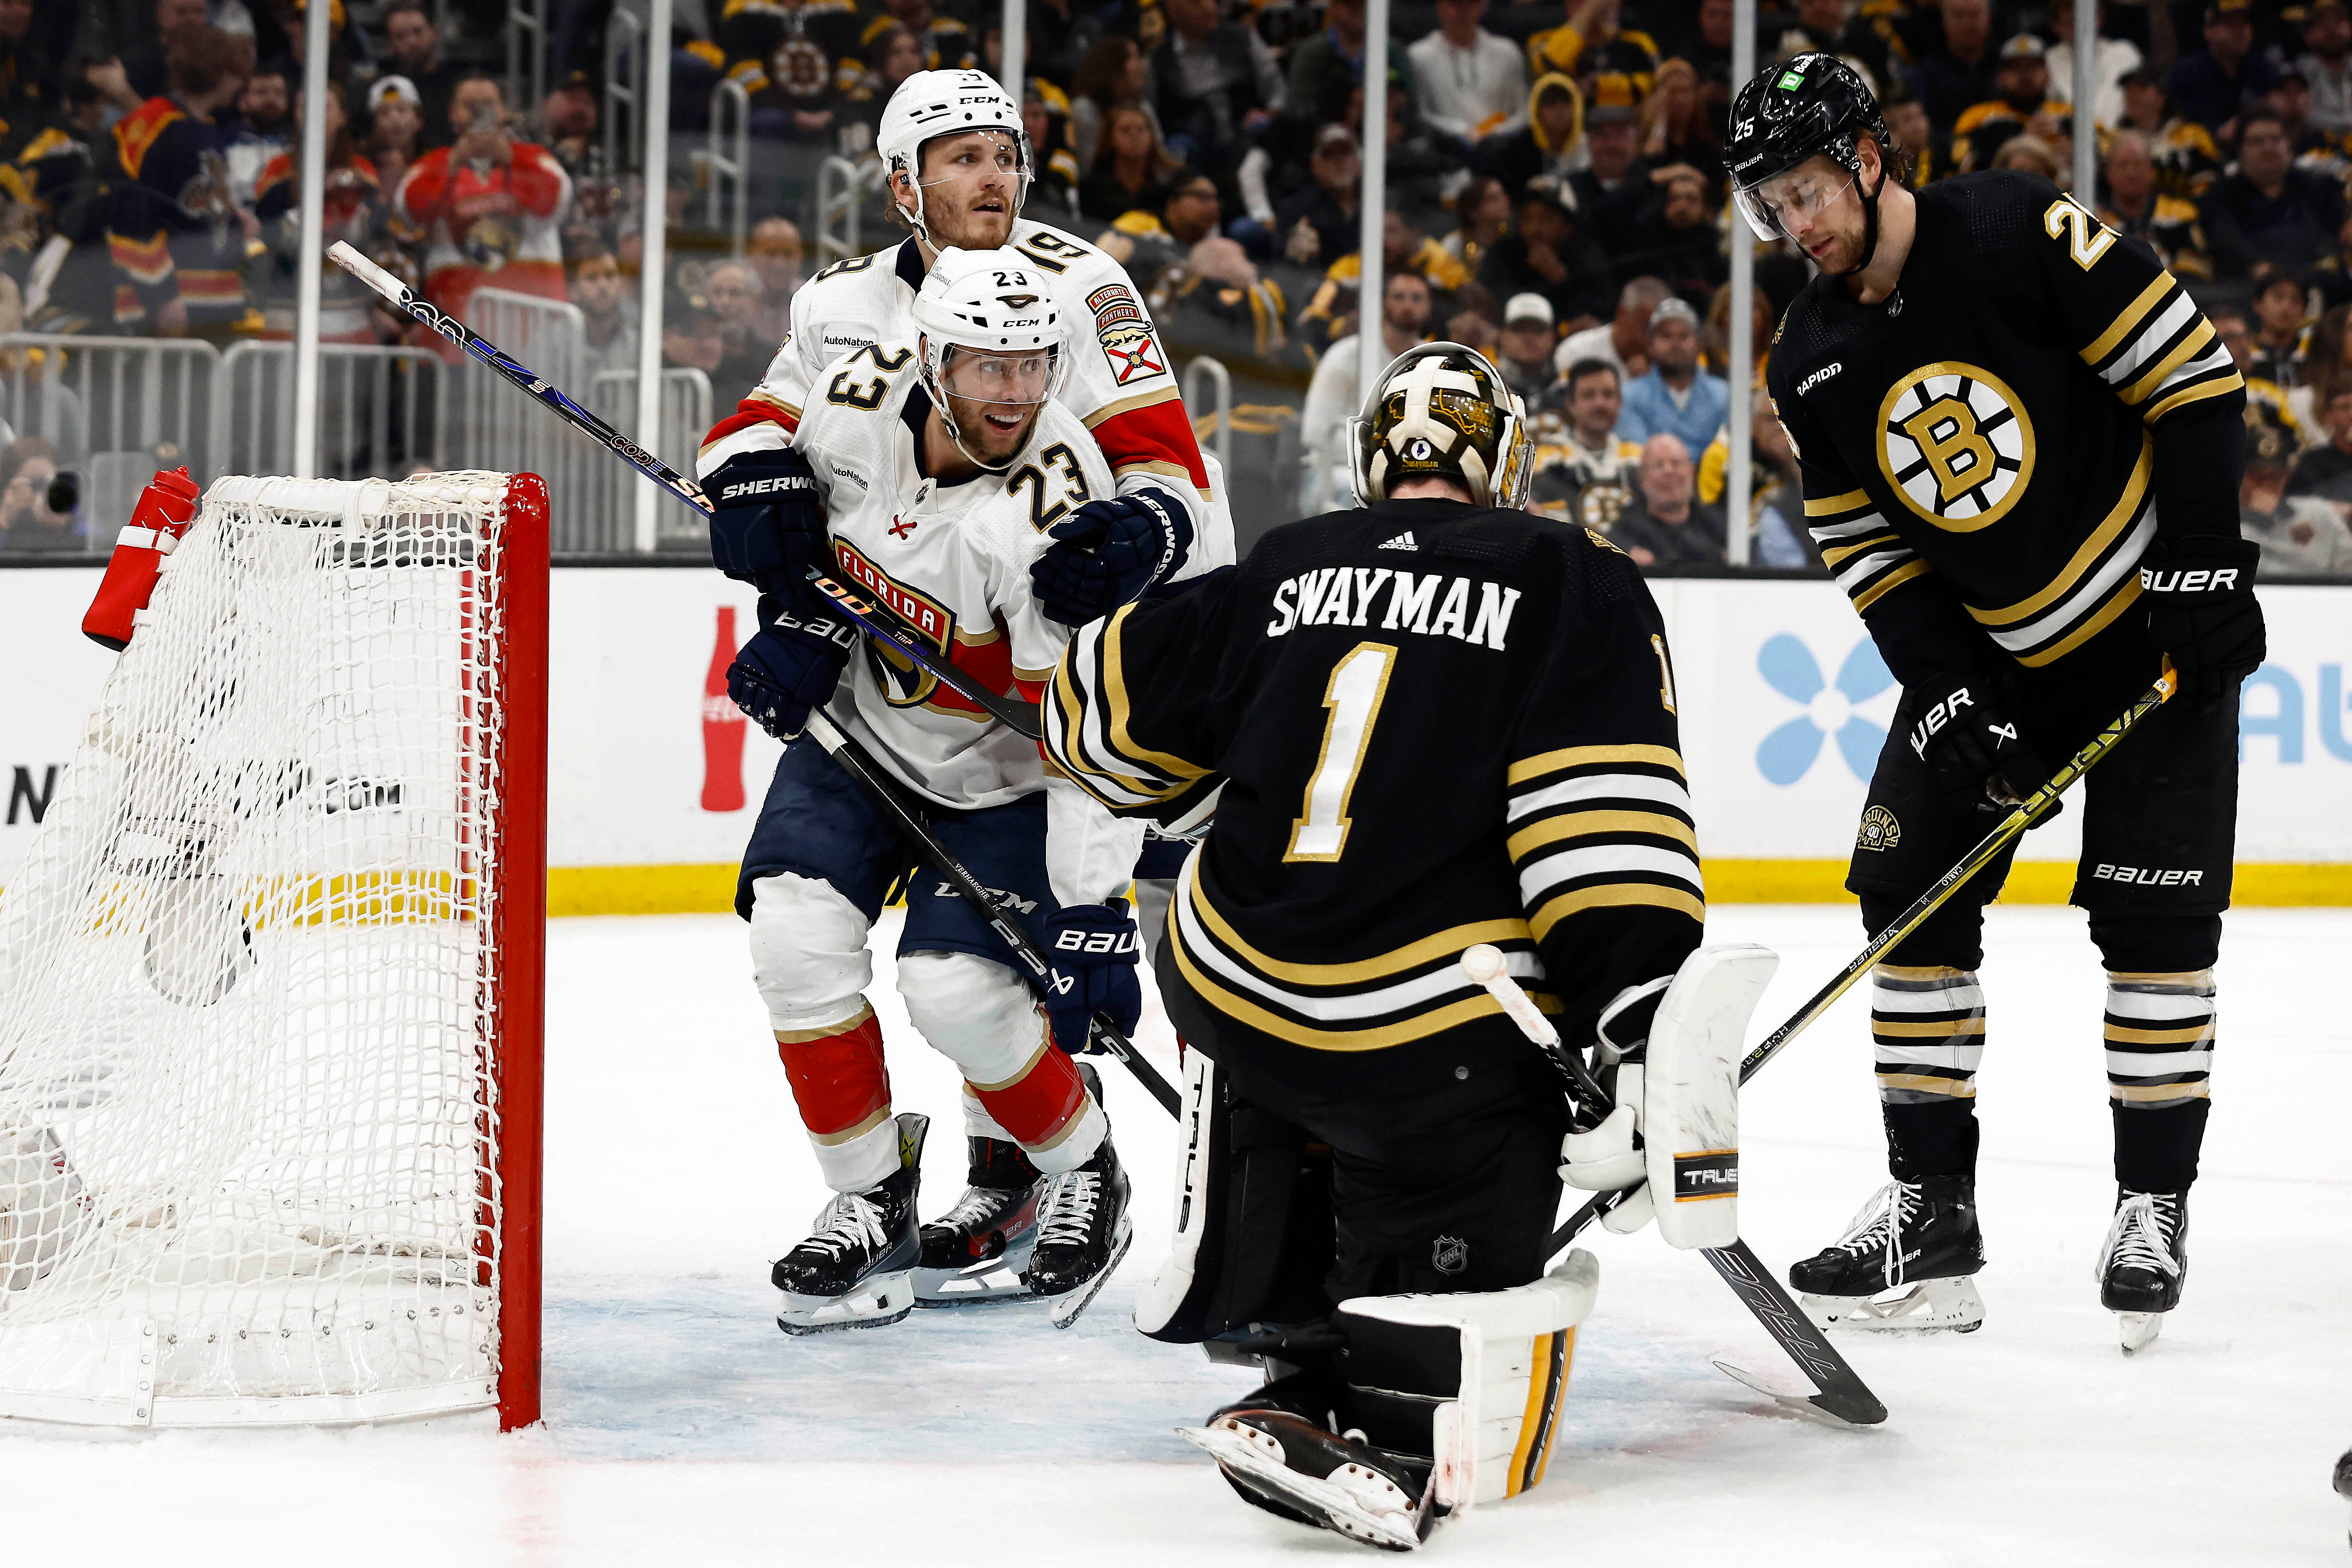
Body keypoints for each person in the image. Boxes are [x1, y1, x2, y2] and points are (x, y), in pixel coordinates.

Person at [1039, 343, 1712, 1548]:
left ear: (1373, 457)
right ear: (1503, 461)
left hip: (1236, 997)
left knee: (1269, 1012)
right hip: (1430, 1049)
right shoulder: (1571, 574)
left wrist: (1211, 779)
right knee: (1446, 1156)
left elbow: (1087, 716)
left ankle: (1280, 1333)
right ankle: (1394, 1412)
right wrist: (1632, 1036)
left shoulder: (1287, 560)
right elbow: (1596, 832)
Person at [1736, 53, 2258, 1349]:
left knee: (2154, 931)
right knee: (1901, 887)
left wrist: (2198, 561)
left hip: (2144, 637)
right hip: (1997, 662)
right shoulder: (1805, 355)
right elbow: (1865, 545)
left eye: (1805, 186)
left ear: (1866, 155)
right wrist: (1948, 687)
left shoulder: (2019, 228)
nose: (1793, 222)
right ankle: (1931, 1208)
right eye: (1769, 201)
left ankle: (2150, 1202)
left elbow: (2192, 380)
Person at [704, 67, 1230, 1131]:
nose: (995, 177)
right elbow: (758, 430)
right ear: (906, 185)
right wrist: (761, 481)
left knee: (999, 968)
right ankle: (917, 1183)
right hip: (900, 681)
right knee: (818, 938)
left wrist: (1139, 536)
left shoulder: (1082, 289)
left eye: (1005, 155)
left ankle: (1034, 1169)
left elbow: (1177, 484)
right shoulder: (841, 302)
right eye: (963, 158)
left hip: (1055, 673)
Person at [695, 251, 1150, 1330]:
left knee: (958, 994)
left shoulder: (1051, 505)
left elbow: (1079, 727)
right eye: (987, 363)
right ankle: (868, 1196)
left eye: (1035, 363)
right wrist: (796, 610)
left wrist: (1093, 907)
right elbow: (796, 526)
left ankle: (1085, 1163)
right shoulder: (851, 402)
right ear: (931, 355)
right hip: (858, 739)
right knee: (795, 945)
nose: (1013, 391)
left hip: (1010, 781)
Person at [393, 76, 572, 348]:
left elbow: (557, 199)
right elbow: (410, 209)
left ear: (504, 113)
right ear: (452, 114)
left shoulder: (535, 158)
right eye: (469, 105)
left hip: (536, 332)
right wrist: (453, 165)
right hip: (457, 331)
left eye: (487, 104)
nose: (479, 112)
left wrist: (511, 161)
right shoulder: (433, 164)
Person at [105, 24, 256, 341]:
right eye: (238, 72)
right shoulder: (153, 124)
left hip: (214, 305)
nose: (243, 83)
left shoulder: (208, 129)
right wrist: (162, 297)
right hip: (168, 311)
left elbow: (195, 213)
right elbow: (131, 215)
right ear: (222, 72)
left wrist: (236, 224)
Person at [1297, 268, 1432, 513]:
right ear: (1383, 304)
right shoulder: (1346, 355)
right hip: (1337, 474)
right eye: (1399, 297)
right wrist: (1388, 455)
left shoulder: (1433, 362)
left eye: (1417, 298)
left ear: (1429, 308)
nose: (1408, 305)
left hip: (1408, 476)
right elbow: (1315, 432)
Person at [2201, 111, 2349, 279]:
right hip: (2248, 289)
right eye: (2257, 141)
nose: (2268, 147)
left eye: (2276, 139)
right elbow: (2226, 243)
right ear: (2240, 150)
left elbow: (2332, 241)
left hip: (2317, 281)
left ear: (2290, 147)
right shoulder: (2220, 197)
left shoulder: (2321, 190)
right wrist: (2257, 266)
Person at [1151, 0, 1284, 182]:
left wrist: (1269, 114)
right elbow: (1152, 118)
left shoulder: (1243, 38)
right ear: (1174, 13)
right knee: (1177, 147)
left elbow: (1278, 91)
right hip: (1195, 145)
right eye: (1196, 4)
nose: (1209, 7)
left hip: (1246, 134)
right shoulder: (1159, 61)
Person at [1527, 355, 1642, 530]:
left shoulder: (1640, 458)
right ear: (1570, 404)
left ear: (1620, 401)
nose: (1600, 404)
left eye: (1608, 394)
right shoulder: (1543, 461)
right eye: (1589, 395)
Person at [1616, 297, 1727, 454]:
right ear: (1650, 344)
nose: (1675, 343)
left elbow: (1727, 454)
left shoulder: (1724, 395)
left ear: (1698, 344)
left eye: (1684, 336)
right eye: (1666, 336)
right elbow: (1637, 454)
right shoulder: (1629, 396)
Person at [1408, 0, 1526, 147]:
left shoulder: (1508, 52)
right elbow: (1421, 113)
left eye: (1470, 4)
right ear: (1440, 6)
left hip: (1501, 148)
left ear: (1482, 6)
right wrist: (1461, 130)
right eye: (1455, 4)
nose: (1461, 12)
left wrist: (1495, 133)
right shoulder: (1419, 56)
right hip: (1445, 148)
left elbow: (1523, 111)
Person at [2241, 423, 2352, 573]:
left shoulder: (2318, 514)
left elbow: (2347, 568)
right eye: (2256, 475)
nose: (2266, 483)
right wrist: (2253, 520)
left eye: (2276, 476)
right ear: (2239, 475)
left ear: (2287, 476)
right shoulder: (2221, 524)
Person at [1609, 433, 1724, 565]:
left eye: (1676, 463)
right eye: (1659, 465)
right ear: (1641, 479)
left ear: (1692, 473)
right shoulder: (1623, 535)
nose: (1668, 471)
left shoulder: (1717, 527)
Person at [2166, 0, 2276, 137]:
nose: (2240, 31)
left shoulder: (2263, 69)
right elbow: (2175, 124)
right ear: (2208, 31)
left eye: (2245, 23)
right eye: (2230, 24)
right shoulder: (2186, 74)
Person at [1552, 275, 1670, 382]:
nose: (1650, 338)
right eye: (1644, 326)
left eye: (1661, 332)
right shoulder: (1576, 352)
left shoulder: (1670, 364)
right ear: (1621, 314)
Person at [378, 0, 463, 149]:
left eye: (418, 32)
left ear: (435, 33)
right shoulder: (383, 88)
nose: (412, 42)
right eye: (400, 36)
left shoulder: (457, 84)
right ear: (390, 44)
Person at [1078, 103, 1182, 223]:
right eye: (1125, 130)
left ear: (1152, 137)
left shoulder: (1166, 190)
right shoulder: (1092, 189)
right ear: (1110, 138)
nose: (1134, 135)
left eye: (1141, 129)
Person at [566, 241, 638, 376]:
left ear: (622, 284)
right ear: (573, 290)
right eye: (592, 278)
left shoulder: (639, 347)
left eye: (610, 276)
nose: (603, 285)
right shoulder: (556, 346)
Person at [0, 436, 79, 551]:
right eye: (33, 484)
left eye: (48, 482)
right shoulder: (6, 514)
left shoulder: (74, 517)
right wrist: (5, 520)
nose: (41, 493)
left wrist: (63, 523)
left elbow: (93, 545)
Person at [2297, 0, 2352, 135]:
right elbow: (2303, 119)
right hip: (2312, 150)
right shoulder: (2296, 74)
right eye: (2322, 23)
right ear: (2308, 34)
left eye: (2338, 21)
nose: (2331, 29)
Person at [1495, 291, 1558, 406]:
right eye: (1519, 330)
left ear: (1552, 338)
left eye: (1538, 330)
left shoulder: (1563, 387)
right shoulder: (1486, 382)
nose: (1528, 338)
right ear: (1502, 336)